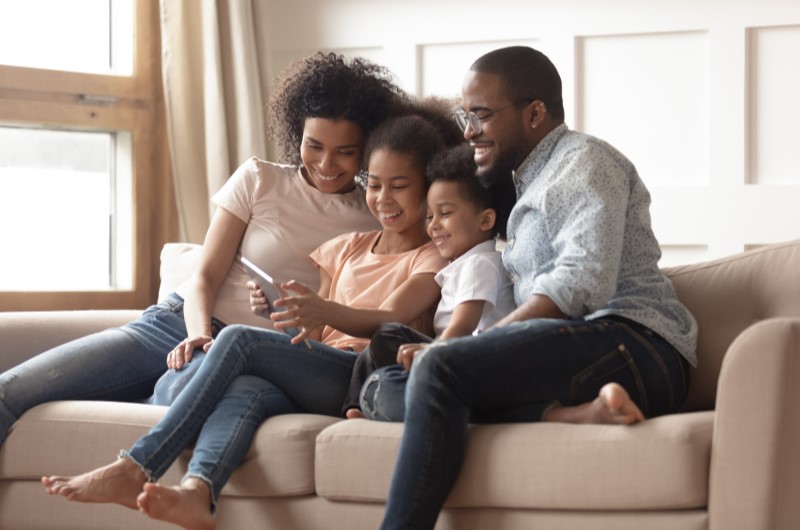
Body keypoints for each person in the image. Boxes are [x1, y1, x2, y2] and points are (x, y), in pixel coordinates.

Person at [42, 112, 461, 530]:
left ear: (428, 189)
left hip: (361, 376)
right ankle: (198, 493)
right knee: (246, 390)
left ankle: (137, 466)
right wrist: (283, 312)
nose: (383, 198)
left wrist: (320, 310)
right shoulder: (348, 247)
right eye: (374, 184)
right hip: (321, 370)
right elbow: (312, 336)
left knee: (241, 339)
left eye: (400, 187)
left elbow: (388, 319)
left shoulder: (432, 258)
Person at [0, 51, 406, 445]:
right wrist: (199, 337)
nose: (325, 163)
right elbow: (204, 277)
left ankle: (153, 397)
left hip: (254, 357)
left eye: (345, 152)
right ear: (295, 131)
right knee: (11, 391)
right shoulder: (259, 179)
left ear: (367, 148)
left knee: (177, 394)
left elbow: (347, 317)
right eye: (314, 145)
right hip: (178, 325)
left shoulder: (375, 216)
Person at [376, 46, 699, 530]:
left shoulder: (582, 162)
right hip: (580, 351)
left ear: (534, 113)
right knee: (383, 386)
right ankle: (576, 415)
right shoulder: (528, 182)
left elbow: (581, 280)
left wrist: (475, 348)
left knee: (439, 370)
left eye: (481, 115)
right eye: (466, 116)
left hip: (636, 345)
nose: (468, 131)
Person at [342, 142, 516, 420]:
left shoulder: (480, 264)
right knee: (385, 338)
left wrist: (433, 351)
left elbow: (463, 324)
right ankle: (357, 406)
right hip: (453, 354)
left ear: (485, 220)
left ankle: (359, 404)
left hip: (469, 359)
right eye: (429, 216)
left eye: (445, 214)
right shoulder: (461, 264)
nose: (433, 225)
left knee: (388, 334)